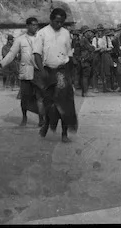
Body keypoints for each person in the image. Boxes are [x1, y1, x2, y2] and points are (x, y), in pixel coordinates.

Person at [33, 8, 78, 142]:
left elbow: (69, 54)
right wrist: (42, 71)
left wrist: (71, 73)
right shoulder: (42, 33)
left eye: (62, 22)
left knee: (65, 103)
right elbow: (37, 54)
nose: (59, 24)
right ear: (51, 19)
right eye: (57, 21)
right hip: (48, 71)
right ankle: (46, 125)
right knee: (50, 103)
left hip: (62, 72)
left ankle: (64, 134)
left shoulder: (66, 33)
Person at [0, 17, 43, 126]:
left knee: (40, 96)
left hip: (38, 72)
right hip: (25, 71)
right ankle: (24, 118)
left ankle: (41, 119)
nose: (35, 27)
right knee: (25, 97)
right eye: (32, 25)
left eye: (36, 25)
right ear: (27, 26)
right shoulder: (20, 39)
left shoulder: (41, 38)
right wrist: (0, 64)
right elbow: (11, 54)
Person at [93, 24, 115, 92]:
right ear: (97, 31)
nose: (100, 32)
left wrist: (106, 49)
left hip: (105, 55)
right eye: (99, 31)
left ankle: (107, 87)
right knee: (96, 71)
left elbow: (111, 47)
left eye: (101, 31)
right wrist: (100, 48)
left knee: (107, 71)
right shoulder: (95, 39)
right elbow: (93, 49)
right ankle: (95, 87)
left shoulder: (107, 38)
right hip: (97, 55)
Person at [77, 25, 95, 97]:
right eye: (87, 32)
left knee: (84, 76)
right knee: (85, 76)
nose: (89, 33)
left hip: (84, 59)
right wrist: (92, 47)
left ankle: (84, 92)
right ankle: (85, 92)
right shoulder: (84, 40)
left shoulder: (82, 39)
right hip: (85, 59)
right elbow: (91, 49)